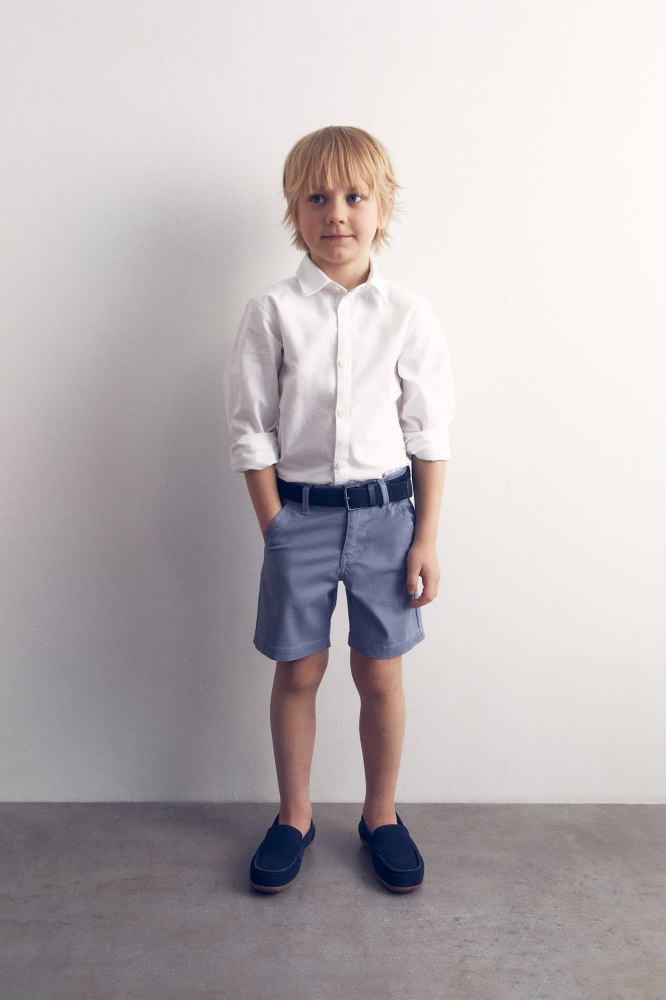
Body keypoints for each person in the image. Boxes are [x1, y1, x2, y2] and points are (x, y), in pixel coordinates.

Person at [224, 125, 454, 894]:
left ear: (382, 207)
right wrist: (276, 525)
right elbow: (251, 429)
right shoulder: (272, 311)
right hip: (301, 520)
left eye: (355, 196)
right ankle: (294, 816)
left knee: (380, 672)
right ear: (295, 210)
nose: (337, 213)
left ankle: (380, 815)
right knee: (299, 669)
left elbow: (429, 433)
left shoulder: (408, 314)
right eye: (317, 197)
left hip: (389, 520)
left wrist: (425, 537)